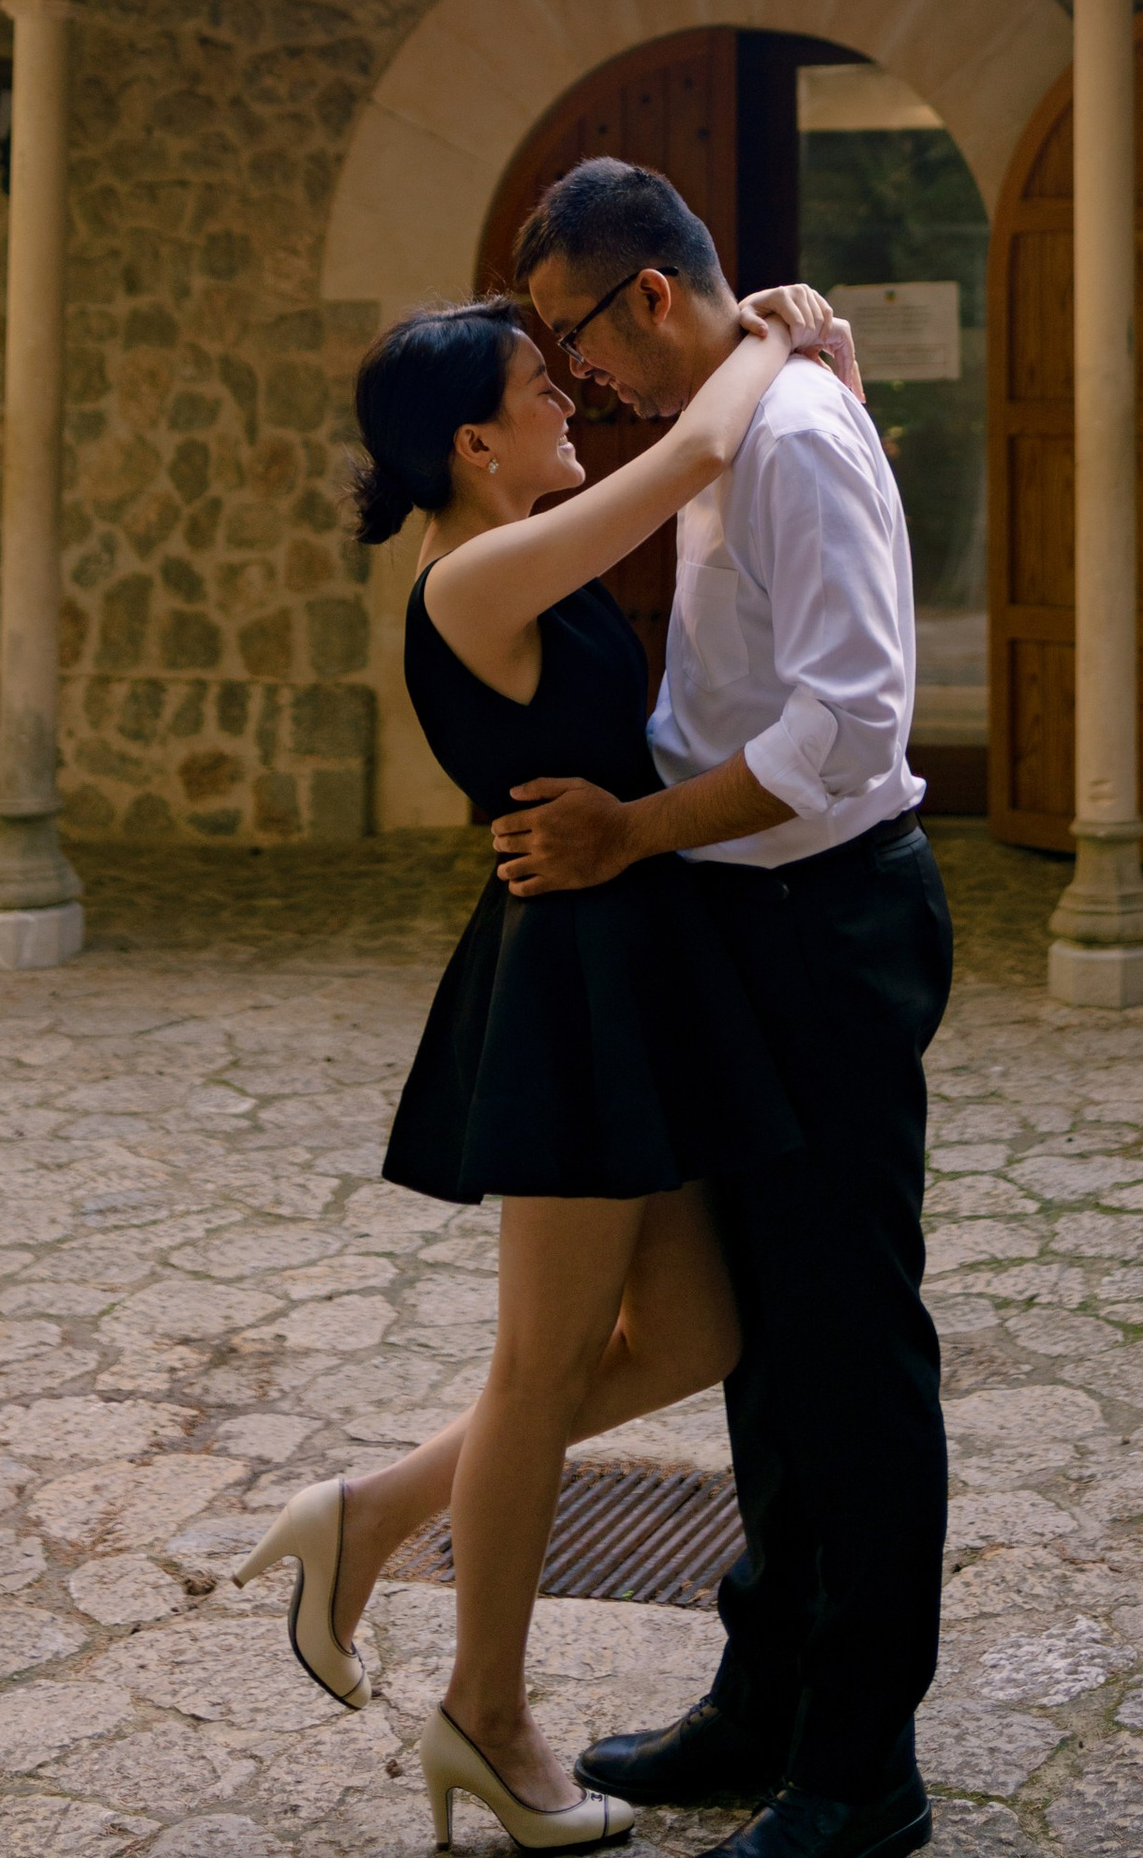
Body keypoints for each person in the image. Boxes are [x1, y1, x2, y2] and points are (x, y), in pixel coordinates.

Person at [237, 276, 839, 1855]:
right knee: (538, 1364)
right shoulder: (475, 581)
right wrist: (769, 333)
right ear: (475, 444)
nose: (569, 399)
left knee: (694, 1326)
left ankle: (368, 1515)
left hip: (629, 963)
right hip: (572, 985)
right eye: (540, 387)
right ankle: (487, 1711)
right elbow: (697, 450)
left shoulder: (512, 554)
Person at [497, 159, 949, 1858]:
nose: (573, 371)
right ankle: (764, 1699)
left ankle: (862, 1765)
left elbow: (845, 726)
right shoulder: (736, 404)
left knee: (851, 1355)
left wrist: (632, 833)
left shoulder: (794, 439)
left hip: (828, 931)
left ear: (653, 294)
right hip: (746, 928)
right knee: (769, 1351)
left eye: (574, 331)